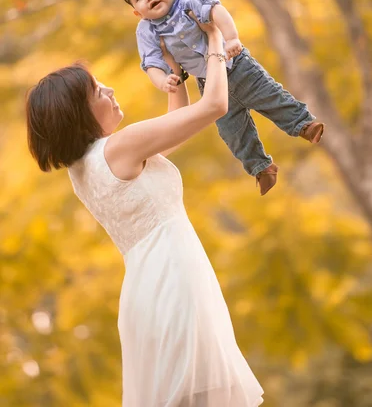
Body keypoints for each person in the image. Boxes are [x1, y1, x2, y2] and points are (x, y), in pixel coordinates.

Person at [26, 21, 264, 407]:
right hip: (174, 280)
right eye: (98, 91)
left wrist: (175, 74)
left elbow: (176, 131)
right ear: (78, 113)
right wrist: (217, 40)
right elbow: (216, 106)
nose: (110, 90)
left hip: (150, 287)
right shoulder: (122, 146)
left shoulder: (85, 168)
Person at [121, 0, 324, 197]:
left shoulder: (188, 0)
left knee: (270, 96)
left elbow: (216, 10)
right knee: (232, 131)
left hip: (237, 65)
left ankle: (304, 124)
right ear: (137, 12)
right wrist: (162, 81)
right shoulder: (147, 30)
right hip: (210, 82)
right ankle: (261, 168)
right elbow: (151, 62)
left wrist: (232, 38)